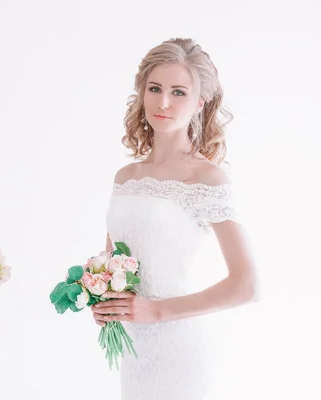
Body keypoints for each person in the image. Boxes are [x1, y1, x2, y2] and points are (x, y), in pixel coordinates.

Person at [90, 38, 259, 399]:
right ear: (142, 94)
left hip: (183, 350)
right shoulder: (126, 177)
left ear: (200, 102)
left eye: (178, 92)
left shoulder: (206, 178)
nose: (163, 102)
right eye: (155, 89)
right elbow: (112, 266)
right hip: (135, 351)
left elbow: (247, 285)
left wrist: (157, 311)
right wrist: (104, 302)